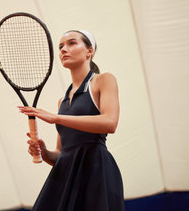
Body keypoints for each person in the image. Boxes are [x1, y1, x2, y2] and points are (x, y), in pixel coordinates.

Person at [18, 30, 125, 211]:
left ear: (89, 51)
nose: (63, 50)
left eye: (71, 43)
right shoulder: (62, 101)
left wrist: (56, 118)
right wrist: (44, 152)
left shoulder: (104, 80)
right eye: (60, 46)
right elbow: (61, 154)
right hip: (66, 177)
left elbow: (110, 122)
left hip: (96, 172)